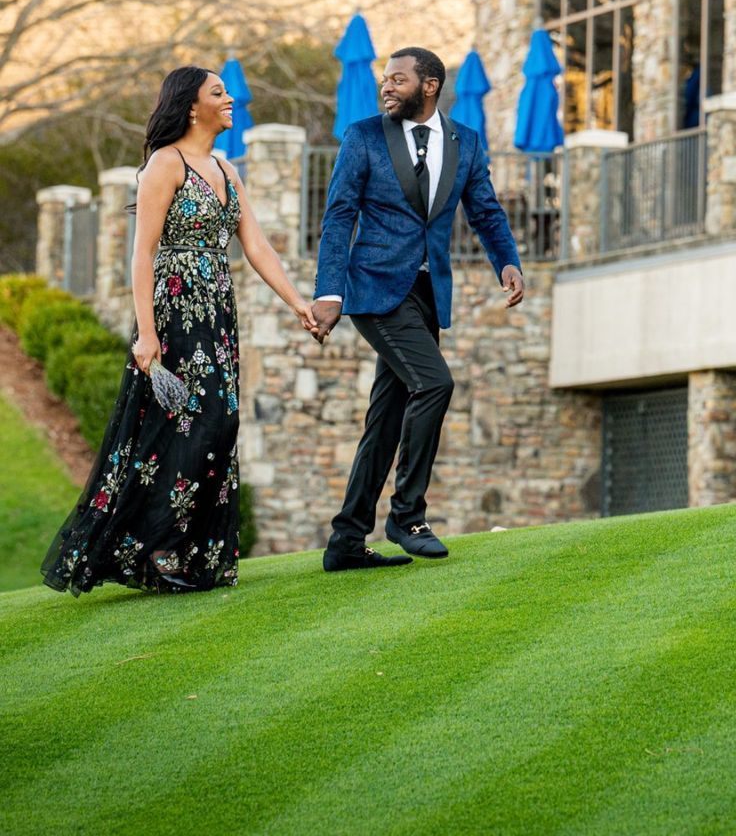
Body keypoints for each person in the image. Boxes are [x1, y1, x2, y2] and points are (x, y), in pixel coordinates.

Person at [42, 65, 317, 595]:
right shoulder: (164, 166)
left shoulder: (225, 168)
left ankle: (186, 551)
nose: (231, 98)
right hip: (174, 312)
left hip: (217, 309)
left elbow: (256, 245)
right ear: (192, 107)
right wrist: (146, 336)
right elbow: (141, 255)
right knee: (192, 423)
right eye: (219, 93)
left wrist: (297, 304)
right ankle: (160, 548)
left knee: (222, 421)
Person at [312, 47, 524, 572]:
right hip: (376, 291)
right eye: (385, 78)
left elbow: (486, 211)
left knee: (385, 419)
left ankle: (346, 541)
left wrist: (508, 262)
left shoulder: (465, 143)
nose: (386, 86)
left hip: (428, 294)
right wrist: (329, 292)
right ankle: (408, 515)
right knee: (435, 383)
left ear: (428, 86)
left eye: (398, 79)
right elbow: (339, 215)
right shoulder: (363, 137)